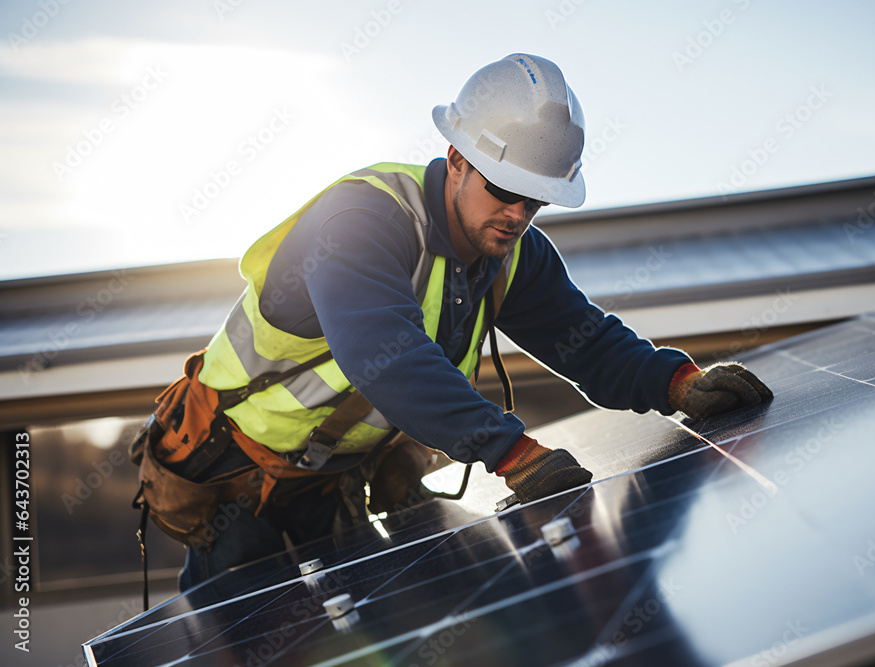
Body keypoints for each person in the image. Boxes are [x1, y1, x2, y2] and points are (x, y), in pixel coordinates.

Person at [131, 53, 772, 592]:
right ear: (457, 159)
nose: (519, 214)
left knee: (355, 642)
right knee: (245, 647)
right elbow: (385, 350)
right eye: (503, 189)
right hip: (231, 478)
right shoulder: (364, 219)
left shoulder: (511, 253)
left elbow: (586, 341)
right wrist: (511, 453)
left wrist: (677, 383)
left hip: (332, 480)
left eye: (536, 199)